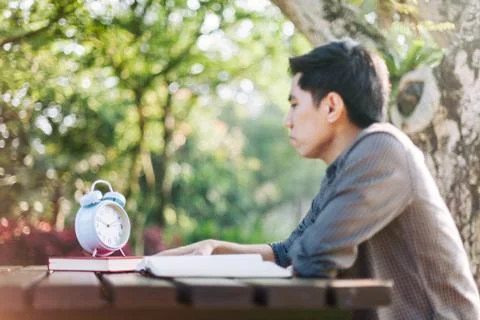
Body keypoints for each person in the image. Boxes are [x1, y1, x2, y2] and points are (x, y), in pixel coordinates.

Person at [157, 39, 480, 319]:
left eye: (295, 105)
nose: (287, 121)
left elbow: (313, 259)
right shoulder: (347, 165)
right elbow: (290, 252)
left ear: (331, 106)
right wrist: (213, 249)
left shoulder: (382, 149)